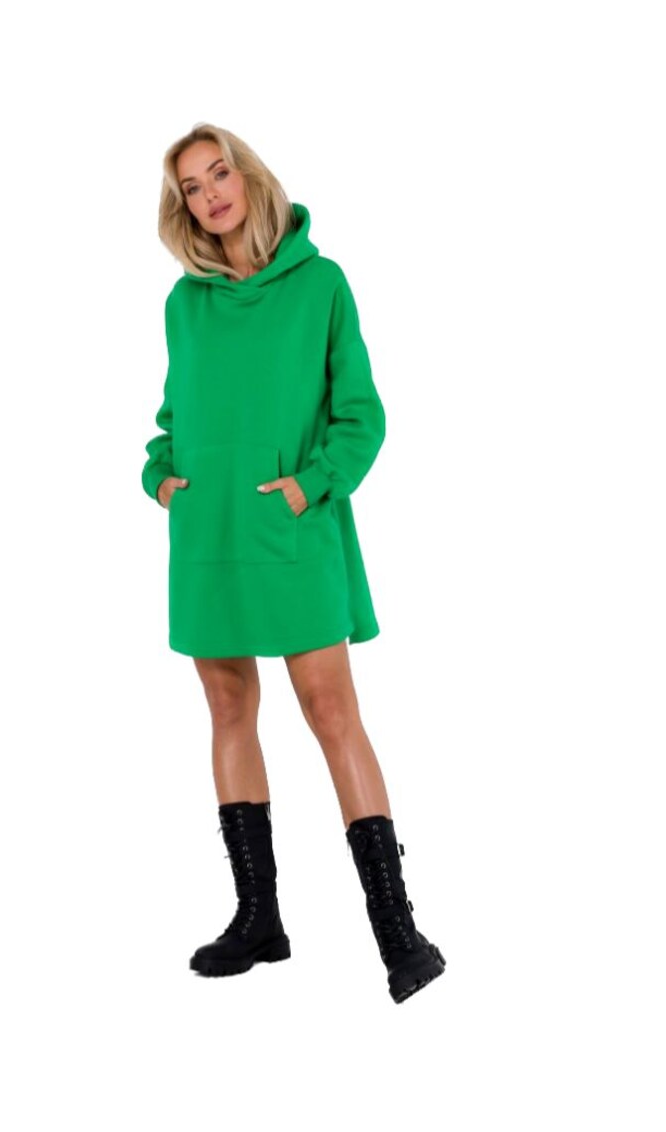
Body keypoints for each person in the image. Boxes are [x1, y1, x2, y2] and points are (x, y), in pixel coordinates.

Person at [141, 122, 446, 1004]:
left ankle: (398, 931)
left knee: (330, 709)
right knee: (228, 706)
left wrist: (311, 488)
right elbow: (174, 415)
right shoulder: (185, 303)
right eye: (192, 186)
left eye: (219, 173)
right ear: (183, 206)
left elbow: (362, 415)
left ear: (248, 176)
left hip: (293, 530)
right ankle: (258, 918)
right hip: (208, 535)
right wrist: (162, 477)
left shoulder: (321, 285)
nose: (210, 195)